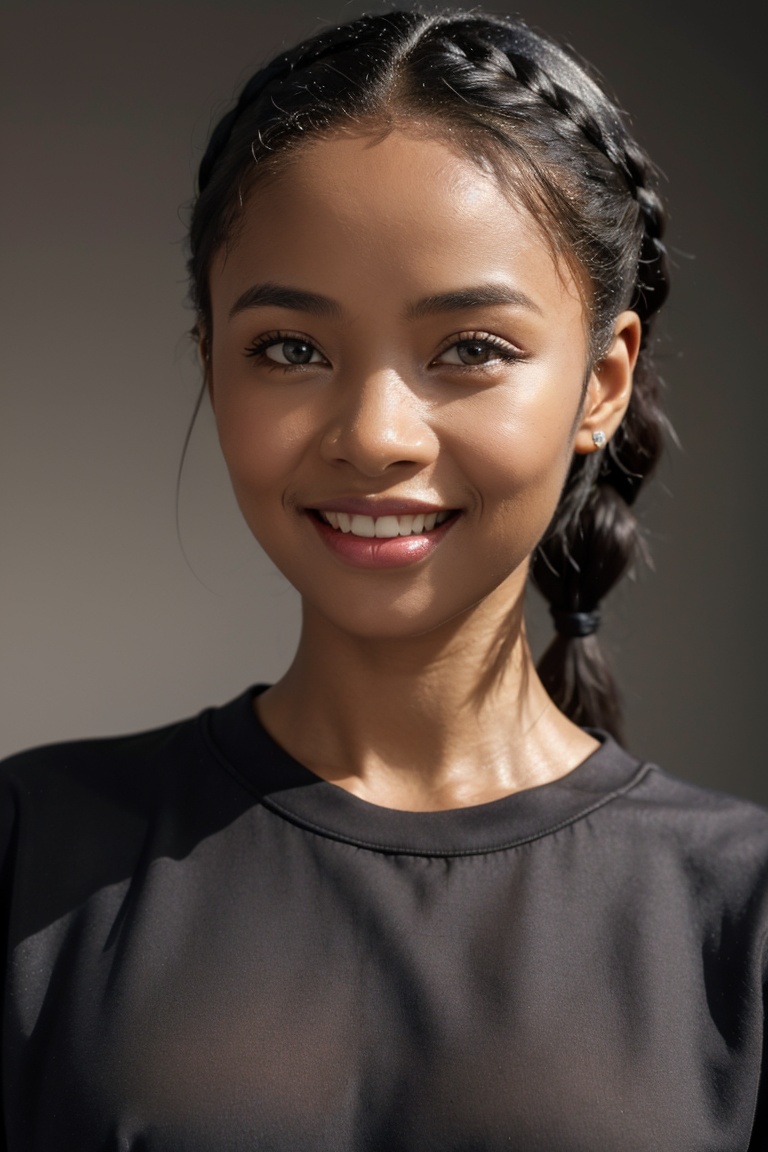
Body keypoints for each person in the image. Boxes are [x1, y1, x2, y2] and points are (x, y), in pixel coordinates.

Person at [1, 7, 766, 1148]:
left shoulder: (743, 914)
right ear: (212, 358)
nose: (374, 434)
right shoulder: (28, 851)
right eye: (291, 350)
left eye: (470, 349)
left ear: (602, 384)